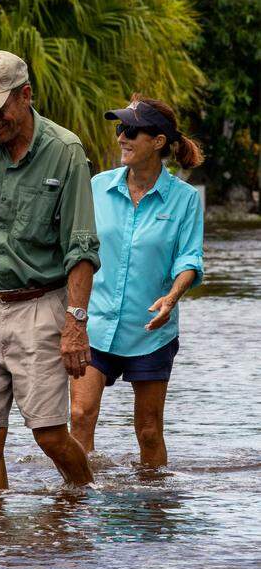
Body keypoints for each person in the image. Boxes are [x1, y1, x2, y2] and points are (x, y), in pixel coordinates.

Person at [0, 50, 98, 491]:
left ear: (25, 96)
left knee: (48, 435)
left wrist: (75, 324)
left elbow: (81, 248)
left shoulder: (65, 151)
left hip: (39, 308)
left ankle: (82, 501)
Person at [71, 96, 205, 467]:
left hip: (150, 330)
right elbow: (75, 248)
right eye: (120, 129)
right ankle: (77, 506)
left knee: (148, 430)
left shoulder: (185, 199)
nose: (121, 138)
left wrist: (172, 297)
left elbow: (190, 258)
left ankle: (153, 509)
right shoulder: (96, 187)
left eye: (131, 130)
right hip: (93, 325)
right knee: (80, 415)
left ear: (158, 141)